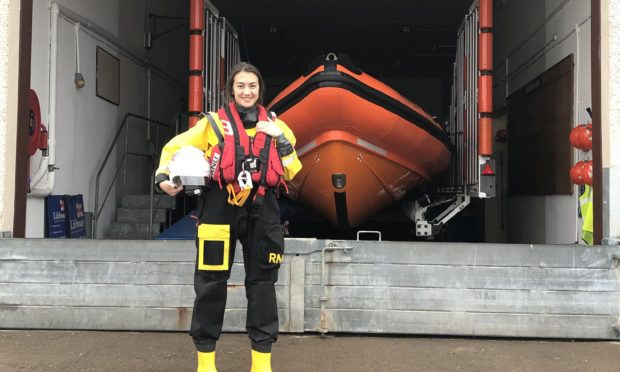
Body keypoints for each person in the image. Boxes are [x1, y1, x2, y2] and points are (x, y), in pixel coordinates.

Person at [154, 62, 302, 372]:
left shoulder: (277, 126)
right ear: (231, 91)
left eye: (252, 86)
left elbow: (292, 169)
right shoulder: (213, 125)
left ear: (260, 90)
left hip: (263, 210)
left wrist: (282, 139)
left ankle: (261, 364)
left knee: (262, 285)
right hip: (219, 209)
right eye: (240, 86)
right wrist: (163, 176)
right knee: (210, 284)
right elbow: (175, 147)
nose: (247, 91)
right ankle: (206, 363)